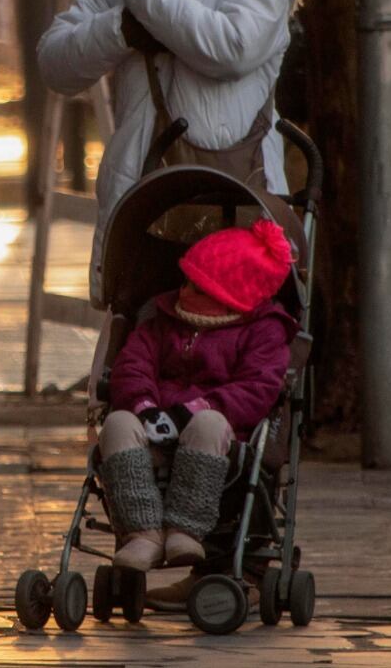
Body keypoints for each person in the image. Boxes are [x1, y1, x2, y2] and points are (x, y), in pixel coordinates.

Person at [37, 0, 312, 304]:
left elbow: (233, 47)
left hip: (233, 206)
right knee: (141, 361)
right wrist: (120, 29)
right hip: (141, 207)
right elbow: (55, 62)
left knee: (228, 355)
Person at [99, 219, 294, 575]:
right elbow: (132, 366)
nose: (184, 291)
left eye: (198, 287)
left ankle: (184, 530)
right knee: (116, 423)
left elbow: (256, 389)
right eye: (185, 281)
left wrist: (189, 412)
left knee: (209, 423)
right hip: (153, 426)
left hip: (220, 437)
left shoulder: (264, 331)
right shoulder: (162, 320)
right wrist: (145, 407)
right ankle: (142, 532)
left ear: (229, 295)